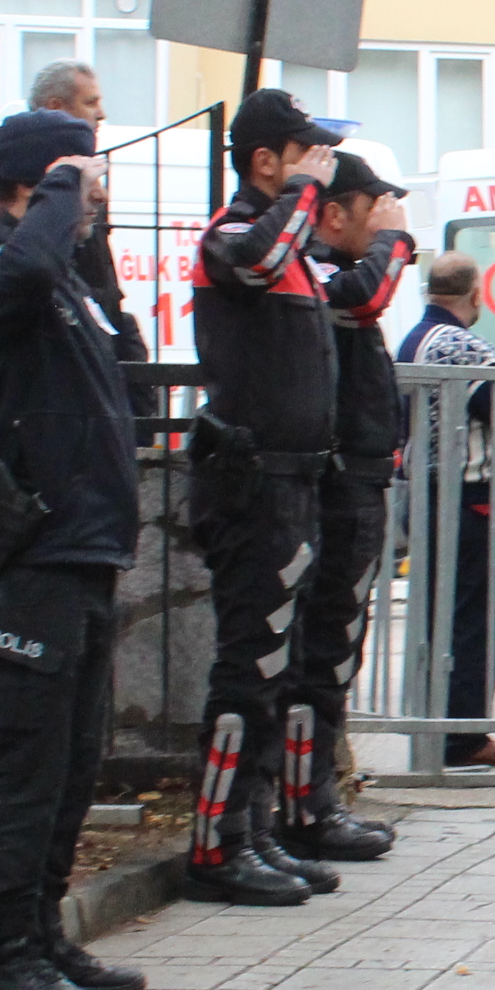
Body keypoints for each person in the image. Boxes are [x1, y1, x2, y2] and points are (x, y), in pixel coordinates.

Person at [0, 111, 149, 990]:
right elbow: (26, 266)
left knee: (75, 760)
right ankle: (7, 955)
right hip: (25, 556)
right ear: (23, 193)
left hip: (84, 548)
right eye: (72, 188)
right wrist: (66, 186)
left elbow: (129, 355)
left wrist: (92, 242)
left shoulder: (64, 285)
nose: (87, 205)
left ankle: (46, 930)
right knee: (29, 760)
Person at [183, 89, 344, 906]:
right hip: (251, 483)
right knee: (246, 670)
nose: (320, 168)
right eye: (304, 154)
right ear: (264, 162)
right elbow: (255, 259)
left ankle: (254, 831)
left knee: (277, 669)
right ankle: (215, 844)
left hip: (296, 480)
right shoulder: (232, 237)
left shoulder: (292, 241)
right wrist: (304, 194)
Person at [274, 140, 414, 866]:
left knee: (332, 653)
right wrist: (393, 240)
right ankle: (302, 805)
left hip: (357, 475)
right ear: (333, 214)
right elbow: (365, 297)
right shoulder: (326, 272)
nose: (383, 218)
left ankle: (312, 797)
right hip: (333, 484)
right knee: (316, 652)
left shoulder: (332, 270)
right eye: (371, 207)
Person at [401, 253, 495, 769]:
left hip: (426, 494)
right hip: (472, 498)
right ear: (475, 293)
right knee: (476, 619)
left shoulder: (413, 340)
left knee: (438, 617)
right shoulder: (466, 347)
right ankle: (464, 734)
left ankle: (439, 728)